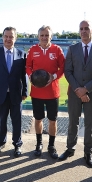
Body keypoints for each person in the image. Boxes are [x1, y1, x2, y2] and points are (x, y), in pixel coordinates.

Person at [59, 20, 92, 168]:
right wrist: (78, 90)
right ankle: (70, 148)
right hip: (74, 93)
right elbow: (68, 71)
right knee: (72, 122)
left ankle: (88, 152)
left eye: (87, 28)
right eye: (81, 29)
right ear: (79, 31)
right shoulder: (72, 49)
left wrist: (85, 89)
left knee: (89, 124)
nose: (84, 31)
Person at [0, 27, 27, 157]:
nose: (8, 39)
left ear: (15, 38)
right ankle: (1, 142)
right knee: (1, 120)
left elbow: (23, 75)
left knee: (17, 121)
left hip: (16, 93)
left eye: (11, 37)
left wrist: (25, 91)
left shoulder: (21, 54)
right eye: (6, 36)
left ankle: (17, 144)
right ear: (3, 37)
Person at [26, 25, 65, 159]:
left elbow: (63, 68)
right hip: (37, 92)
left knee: (52, 120)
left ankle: (51, 146)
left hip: (52, 92)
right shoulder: (32, 50)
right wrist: (30, 75)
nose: (44, 37)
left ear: (51, 37)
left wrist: (53, 77)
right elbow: (28, 66)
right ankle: (39, 144)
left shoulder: (57, 50)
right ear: (38, 37)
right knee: (38, 119)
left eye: (46, 35)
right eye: (42, 35)